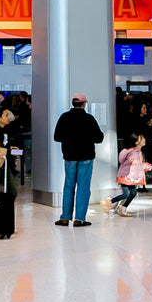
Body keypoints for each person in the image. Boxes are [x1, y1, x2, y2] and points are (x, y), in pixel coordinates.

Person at [53, 93, 104, 227]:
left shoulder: (64, 117)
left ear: (73, 103)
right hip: (86, 156)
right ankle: (79, 218)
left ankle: (65, 217)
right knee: (83, 187)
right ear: (83, 104)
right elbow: (99, 138)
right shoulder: (89, 119)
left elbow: (56, 137)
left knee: (69, 186)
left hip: (69, 156)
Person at [110, 134, 150, 217]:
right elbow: (132, 159)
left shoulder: (138, 152)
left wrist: (144, 166)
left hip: (130, 177)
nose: (144, 139)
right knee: (126, 194)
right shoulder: (133, 152)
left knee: (133, 193)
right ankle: (108, 202)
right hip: (126, 176)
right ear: (136, 142)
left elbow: (138, 164)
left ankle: (123, 208)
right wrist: (135, 162)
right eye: (142, 138)